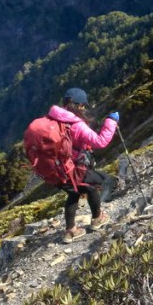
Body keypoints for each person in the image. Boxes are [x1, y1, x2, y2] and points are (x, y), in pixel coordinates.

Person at [50, 87, 118, 243]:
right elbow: (100, 141)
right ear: (79, 105)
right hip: (74, 167)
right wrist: (111, 122)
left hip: (57, 168)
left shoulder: (53, 119)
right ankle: (97, 219)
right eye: (83, 105)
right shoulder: (75, 124)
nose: (84, 108)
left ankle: (70, 231)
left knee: (74, 193)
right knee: (94, 184)